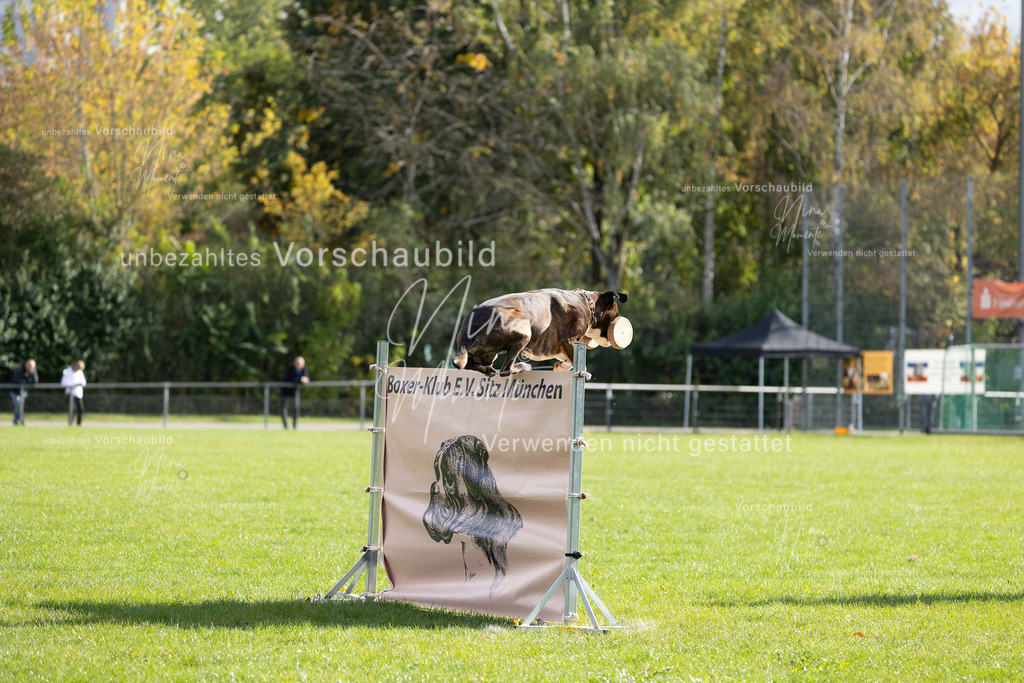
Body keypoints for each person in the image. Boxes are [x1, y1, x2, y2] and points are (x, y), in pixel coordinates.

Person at [280, 356, 309, 429]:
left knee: (296, 408)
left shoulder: (304, 368)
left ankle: (294, 425)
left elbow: (306, 378)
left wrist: (305, 380)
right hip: (285, 390)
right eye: (297, 363)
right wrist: (300, 380)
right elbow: (291, 379)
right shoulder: (290, 368)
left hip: (295, 391)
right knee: (283, 408)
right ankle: (285, 426)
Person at [10, 359, 38, 426]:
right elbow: (17, 380)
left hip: (23, 392)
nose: (31, 368)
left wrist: (32, 373)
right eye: (30, 366)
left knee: (19, 407)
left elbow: (35, 382)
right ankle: (21, 420)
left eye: (32, 367)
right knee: (19, 406)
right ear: (26, 364)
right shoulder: (20, 370)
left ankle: (16, 421)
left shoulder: (32, 370)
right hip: (15, 392)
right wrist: (27, 381)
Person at [61, 360, 87, 426]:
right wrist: (73, 384)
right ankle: (70, 422)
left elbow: (84, 382)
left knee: (80, 408)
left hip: (78, 394)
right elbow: (63, 383)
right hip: (70, 393)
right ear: (75, 366)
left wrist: (79, 384)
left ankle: (79, 422)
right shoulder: (67, 371)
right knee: (71, 409)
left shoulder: (80, 372)